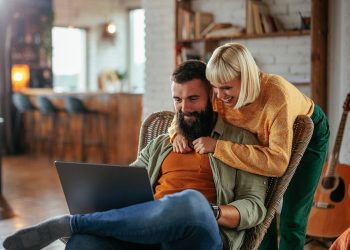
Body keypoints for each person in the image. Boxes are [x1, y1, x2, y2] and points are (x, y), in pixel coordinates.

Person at [3, 60, 267, 250]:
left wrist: (213, 212)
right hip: (147, 234)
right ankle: (78, 228)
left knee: (191, 201)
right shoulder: (163, 143)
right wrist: (100, 190)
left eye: (193, 99)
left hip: (200, 236)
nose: (184, 108)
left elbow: (255, 206)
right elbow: (128, 183)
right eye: (177, 99)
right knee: (84, 244)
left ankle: (73, 223)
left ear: (212, 97)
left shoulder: (240, 141)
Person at [170, 43, 330, 250]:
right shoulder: (218, 90)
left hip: (307, 134)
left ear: (246, 79)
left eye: (226, 88)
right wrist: (177, 133)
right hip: (258, 139)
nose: (218, 95)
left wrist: (218, 147)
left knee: (293, 216)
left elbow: (277, 163)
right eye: (214, 87)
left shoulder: (276, 96)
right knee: (262, 208)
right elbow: (186, 110)